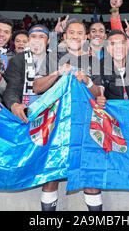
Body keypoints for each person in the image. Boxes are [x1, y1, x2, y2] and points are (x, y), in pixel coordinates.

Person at [32, 19, 104, 211]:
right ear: (64, 36)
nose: (75, 36)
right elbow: (37, 87)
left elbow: (100, 95)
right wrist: (57, 73)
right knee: (52, 175)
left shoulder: (94, 60)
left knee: (89, 175)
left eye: (79, 33)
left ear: (86, 37)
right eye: (71, 32)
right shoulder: (53, 57)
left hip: (86, 125)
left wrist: (87, 81)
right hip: (56, 126)